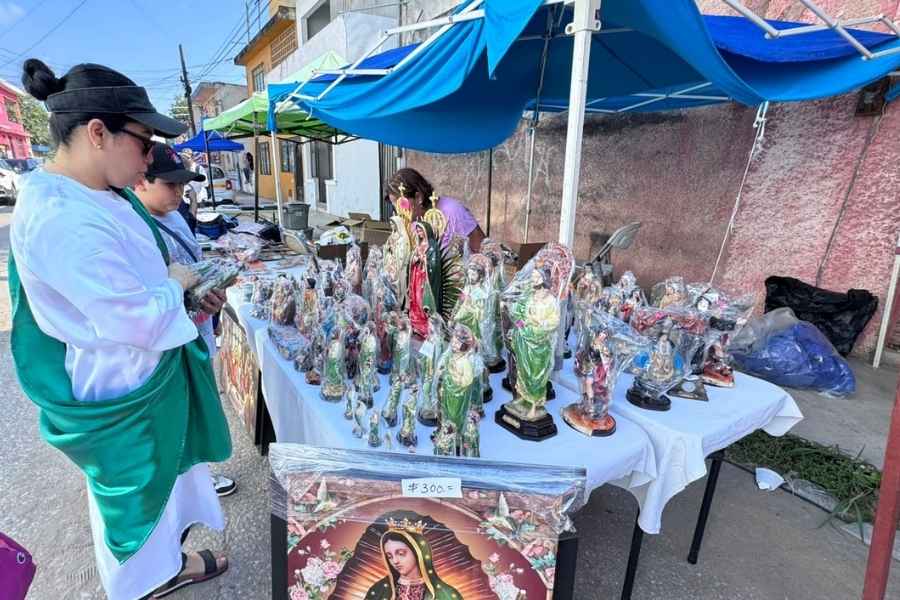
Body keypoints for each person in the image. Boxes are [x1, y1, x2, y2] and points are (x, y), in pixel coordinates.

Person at [10, 59, 232, 599]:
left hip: (146, 368)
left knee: (165, 493)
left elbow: (140, 284)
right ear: (97, 133)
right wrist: (177, 284)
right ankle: (142, 584)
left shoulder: (102, 191)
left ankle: (167, 564)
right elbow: (131, 315)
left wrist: (186, 293)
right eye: (143, 140)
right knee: (135, 506)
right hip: (121, 382)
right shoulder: (60, 216)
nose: (150, 156)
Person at [133, 142, 237, 497]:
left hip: (199, 330)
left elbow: (192, 270)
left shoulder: (175, 215)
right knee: (184, 415)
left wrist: (213, 295)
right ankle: (192, 484)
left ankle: (200, 477)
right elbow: (150, 302)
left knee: (201, 407)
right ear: (141, 181)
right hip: (174, 344)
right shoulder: (138, 229)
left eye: (183, 184)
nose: (179, 192)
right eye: (170, 184)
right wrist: (195, 301)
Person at [386, 168, 484, 253]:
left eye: (401, 204)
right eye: (395, 206)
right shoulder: (411, 224)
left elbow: (484, 253)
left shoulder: (454, 212)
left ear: (418, 197)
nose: (398, 212)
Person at [367, 529, 462, 600]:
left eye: (401, 554)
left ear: (418, 553)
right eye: (390, 556)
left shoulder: (445, 593)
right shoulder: (380, 590)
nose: (395, 561)